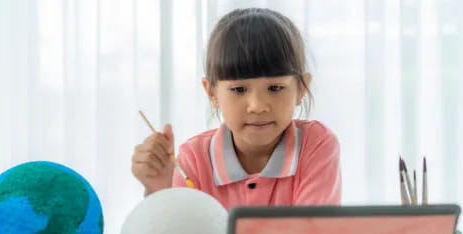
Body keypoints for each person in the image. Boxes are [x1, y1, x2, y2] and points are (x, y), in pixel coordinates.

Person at [132, 8, 341, 210]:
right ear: (212, 93)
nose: (258, 106)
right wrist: (158, 189)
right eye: (239, 89)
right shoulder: (194, 158)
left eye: (275, 88)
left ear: (301, 88)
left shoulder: (315, 144)